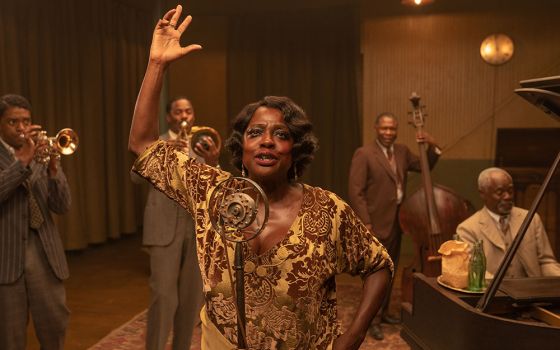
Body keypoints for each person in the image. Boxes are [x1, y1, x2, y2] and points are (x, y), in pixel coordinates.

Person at [128, 5, 393, 349]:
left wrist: (353, 336)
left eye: (281, 134)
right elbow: (143, 143)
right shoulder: (212, 193)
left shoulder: (327, 210)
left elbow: (378, 265)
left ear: (295, 150)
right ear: (242, 147)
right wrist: (157, 65)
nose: (267, 140)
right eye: (256, 132)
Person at [131, 96, 220, 350]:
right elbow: (136, 179)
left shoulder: (204, 142)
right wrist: (162, 152)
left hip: (196, 227)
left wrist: (214, 162)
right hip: (163, 227)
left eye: (188, 111)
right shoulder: (157, 143)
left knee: (192, 299)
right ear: (169, 116)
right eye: (178, 111)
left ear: (193, 115)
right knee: (163, 296)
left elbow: (216, 183)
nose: (184, 116)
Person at [348, 111, 440, 340]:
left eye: (392, 129)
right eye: (384, 128)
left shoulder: (402, 152)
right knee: (376, 274)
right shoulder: (364, 154)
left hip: (398, 223)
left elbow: (424, 166)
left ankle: (385, 312)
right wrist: (366, 223)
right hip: (374, 224)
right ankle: (372, 320)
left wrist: (431, 144)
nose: (389, 133)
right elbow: (355, 192)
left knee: (390, 271)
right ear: (376, 129)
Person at [0, 94, 72, 350]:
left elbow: (62, 205)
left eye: (26, 121)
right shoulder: (24, 155)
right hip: (7, 258)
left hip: (44, 253)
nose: (21, 128)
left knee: (55, 326)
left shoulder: (40, 151)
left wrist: (53, 166)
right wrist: (22, 162)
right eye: (13, 122)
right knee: (10, 337)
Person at [456, 167, 560, 278]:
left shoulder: (531, 219)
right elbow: (474, 272)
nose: (508, 197)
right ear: (483, 194)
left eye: (510, 191)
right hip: (493, 293)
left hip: (530, 291)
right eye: (500, 192)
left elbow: (546, 262)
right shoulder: (467, 229)